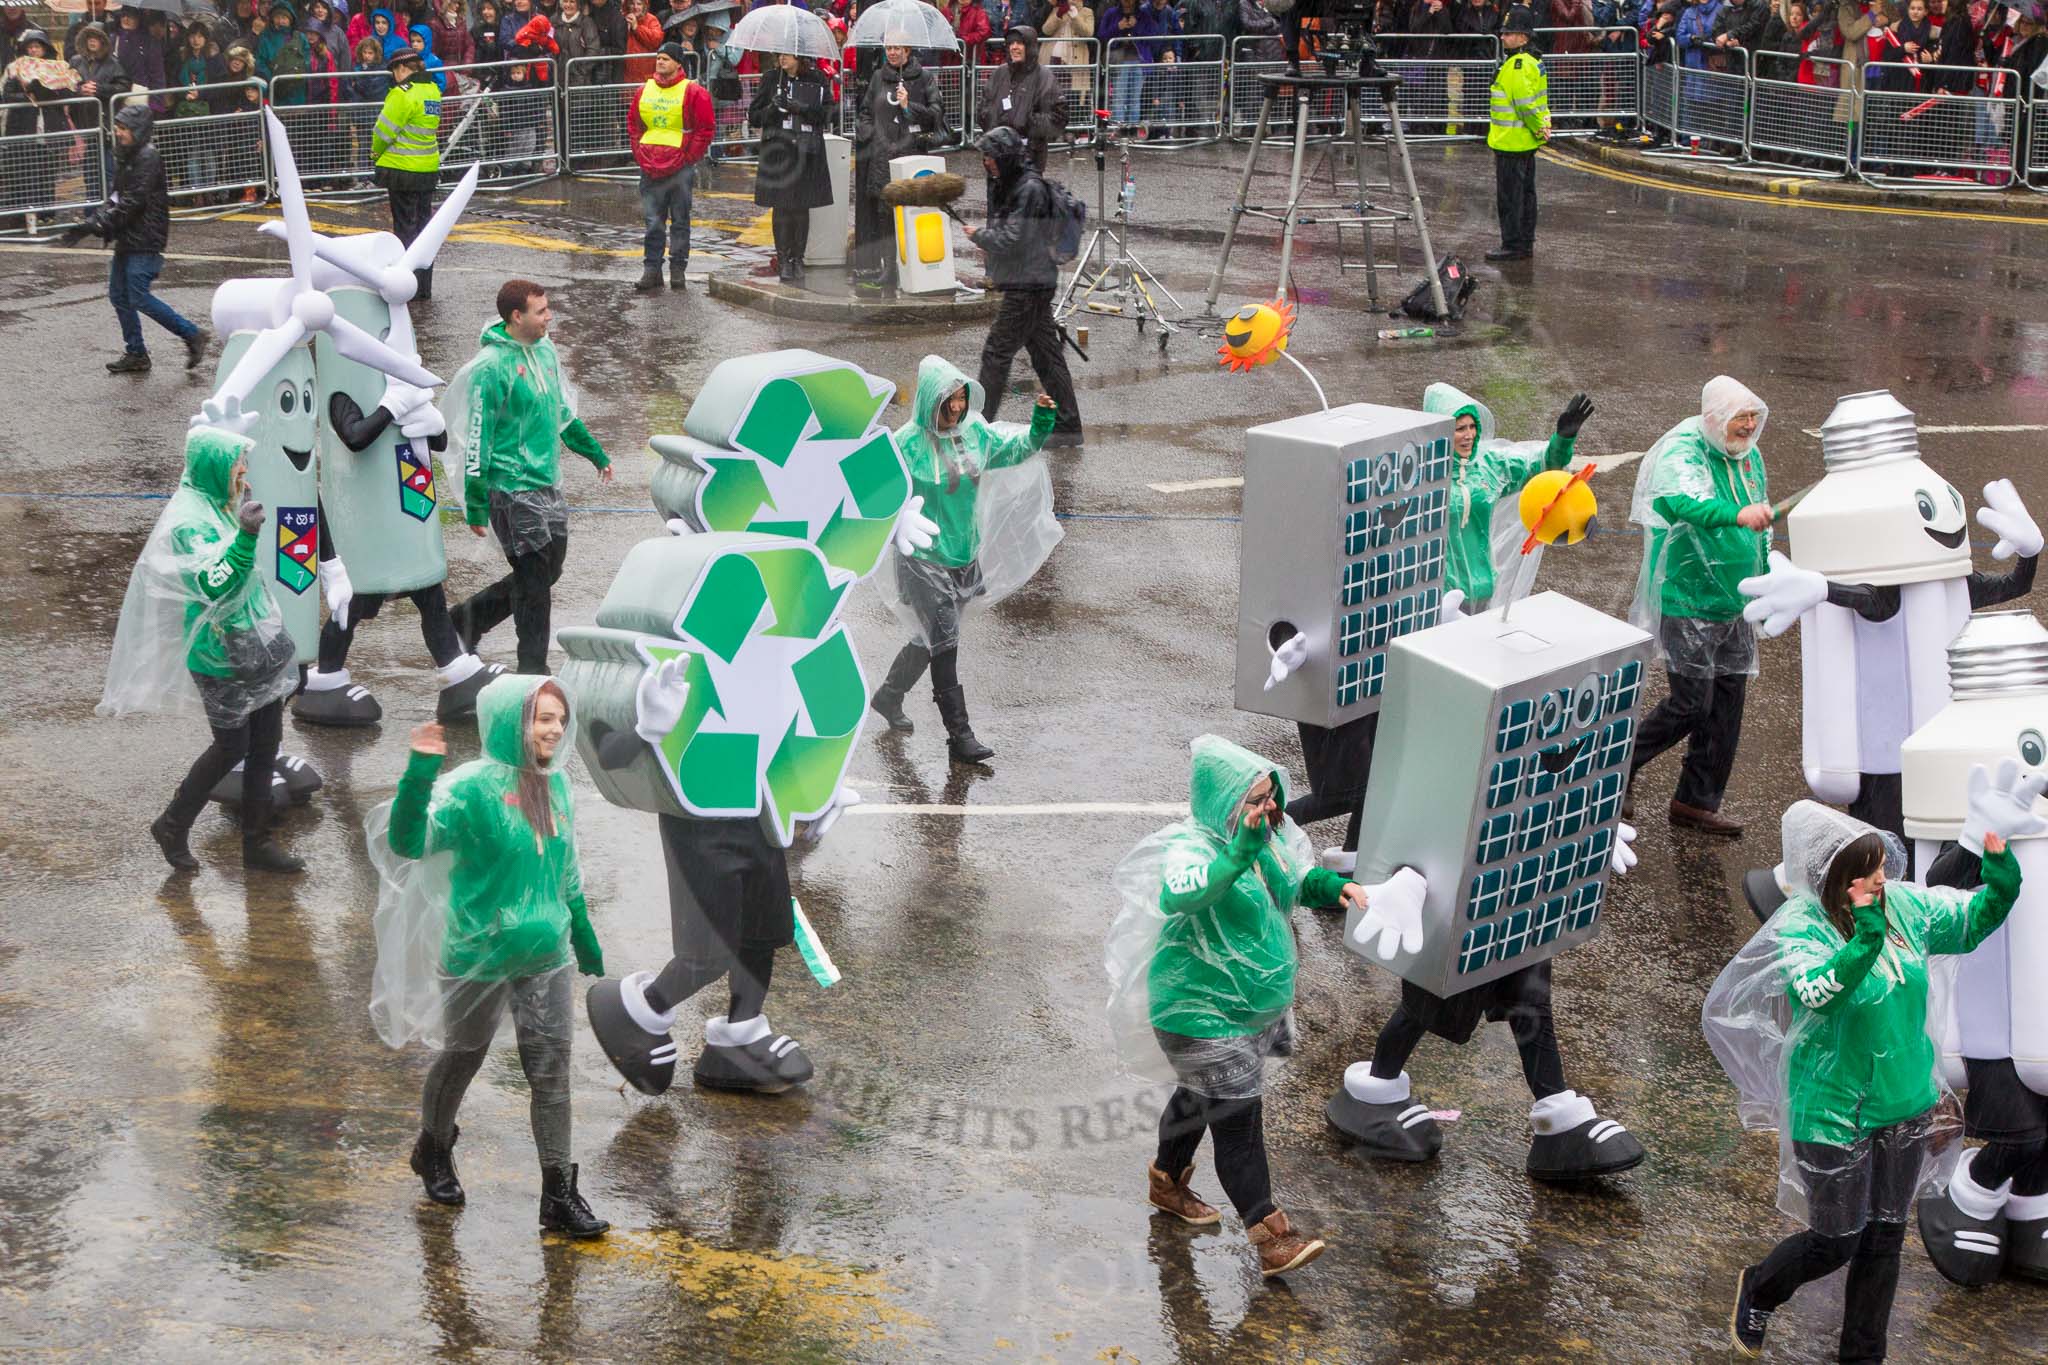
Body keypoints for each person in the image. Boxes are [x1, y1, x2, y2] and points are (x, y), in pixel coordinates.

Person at [1707, 802, 2023, 1359]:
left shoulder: (1902, 905)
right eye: (1870, 870)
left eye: (1882, 865)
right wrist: (1865, 939)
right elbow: (1817, 991)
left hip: (1905, 1103)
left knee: (1884, 1239)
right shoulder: (1803, 926)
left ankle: (1862, 1354)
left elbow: (1970, 922)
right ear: (1836, 878)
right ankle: (1760, 1287)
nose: (1884, 878)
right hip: (1832, 1112)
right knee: (1836, 1240)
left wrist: (2000, 889)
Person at [1107, 736, 1390, 1275]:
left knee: (1198, 1096)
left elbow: (1296, 881)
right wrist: (1239, 852)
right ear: (1224, 802)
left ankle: (1166, 1182)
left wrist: (1338, 889)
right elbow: (1181, 893)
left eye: (1271, 798)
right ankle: (1270, 1236)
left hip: (1243, 1010)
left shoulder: (1267, 842)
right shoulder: (1192, 848)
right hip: (1196, 1011)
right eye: (1255, 800)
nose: (1269, 810)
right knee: (1237, 1121)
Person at [378, 679, 609, 1238]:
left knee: (551, 1073)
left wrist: (581, 930)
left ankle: (559, 1193)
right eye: (540, 718)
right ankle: (432, 1148)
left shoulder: (558, 786)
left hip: (545, 953)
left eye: (559, 718)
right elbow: (409, 842)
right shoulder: (471, 789)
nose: (553, 729)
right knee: (463, 1055)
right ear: (511, 723)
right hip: (477, 953)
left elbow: (567, 868)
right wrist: (418, 774)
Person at [100, 428, 304, 874]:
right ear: (214, 465)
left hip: (255, 641)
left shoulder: (214, 500)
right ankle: (172, 824)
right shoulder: (188, 520)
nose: (244, 470)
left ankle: (258, 843)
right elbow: (213, 583)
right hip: (221, 654)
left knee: (267, 741)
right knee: (233, 746)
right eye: (236, 463)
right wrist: (246, 535)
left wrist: (234, 509)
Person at [868, 357, 1059, 764]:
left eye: (960, 398)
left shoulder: (974, 432)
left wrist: (1040, 423)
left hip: (963, 557)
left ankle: (888, 696)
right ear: (928, 402)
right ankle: (960, 736)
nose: (956, 407)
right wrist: (895, 517)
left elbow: (1013, 449)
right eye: (947, 400)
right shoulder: (904, 444)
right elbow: (871, 492)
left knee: (928, 639)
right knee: (946, 645)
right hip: (923, 559)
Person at [1626, 375, 1771, 836]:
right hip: (1688, 596)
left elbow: (1760, 515)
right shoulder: (1683, 449)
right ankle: (1619, 765)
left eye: (1752, 416)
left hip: (1736, 598)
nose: (1748, 426)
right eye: (1738, 418)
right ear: (1713, 418)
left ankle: (1696, 801)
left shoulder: (1749, 456)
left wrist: (1766, 579)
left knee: (1728, 702)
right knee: (1692, 703)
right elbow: (1683, 501)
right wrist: (1736, 515)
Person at [447, 281, 613, 677]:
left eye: (548, 308)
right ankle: (532, 671)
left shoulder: (546, 350)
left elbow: (560, 412)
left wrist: (595, 453)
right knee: (535, 583)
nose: (549, 316)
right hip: (510, 487)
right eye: (541, 311)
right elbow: (477, 437)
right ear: (516, 317)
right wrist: (476, 501)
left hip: (546, 482)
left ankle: (466, 619)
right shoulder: (490, 368)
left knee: (547, 569)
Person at [60, 105, 208, 375]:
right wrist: (92, 221)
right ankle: (136, 352)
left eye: (124, 128)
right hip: (128, 236)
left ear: (137, 130)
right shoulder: (127, 156)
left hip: (146, 237)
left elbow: (133, 201)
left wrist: (99, 223)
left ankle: (192, 334)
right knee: (119, 294)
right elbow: (116, 197)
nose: (118, 133)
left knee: (138, 296)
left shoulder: (148, 157)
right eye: (117, 128)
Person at [963, 126, 1084, 446]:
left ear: (1004, 156)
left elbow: (1013, 238)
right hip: (1033, 282)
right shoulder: (1017, 183)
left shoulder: (1028, 188)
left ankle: (979, 426)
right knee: (1046, 356)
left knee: (996, 353)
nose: (986, 162)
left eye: (990, 156)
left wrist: (980, 236)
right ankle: (1069, 424)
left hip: (1028, 285)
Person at [1428, 384, 1593, 610]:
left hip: (1481, 586)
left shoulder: (1487, 465)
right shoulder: (1423, 475)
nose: (1468, 435)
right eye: (1459, 429)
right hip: (1436, 595)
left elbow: (1542, 465)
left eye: (1472, 427)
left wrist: (1563, 439)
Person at [851, 40, 940, 293]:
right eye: (889, 47)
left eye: (898, 48)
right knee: (885, 214)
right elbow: (865, 113)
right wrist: (873, 135)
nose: (892, 52)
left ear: (908, 50)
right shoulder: (879, 77)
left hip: (912, 156)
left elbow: (936, 114)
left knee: (913, 213)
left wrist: (908, 106)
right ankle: (889, 268)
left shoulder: (924, 78)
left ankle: (913, 267)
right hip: (882, 157)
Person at [629, 40, 714, 291]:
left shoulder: (694, 92)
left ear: (678, 63)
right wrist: (640, 152)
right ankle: (652, 269)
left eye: (666, 58)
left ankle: (677, 270)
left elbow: (705, 129)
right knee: (653, 221)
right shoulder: (644, 90)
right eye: (658, 57)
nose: (660, 61)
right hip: (650, 164)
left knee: (679, 221)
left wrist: (689, 158)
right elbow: (634, 125)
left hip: (679, 168)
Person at [748, 51, 833, 284]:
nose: (782, 60)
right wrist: (771, 111)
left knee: (801, 206)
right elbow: (754, 116)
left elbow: (828, 113)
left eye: (788, 55)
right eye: (780, 55)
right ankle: (784, 258)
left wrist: (801, 108)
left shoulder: (817, 79)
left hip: (806, 150)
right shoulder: (771, 78)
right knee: (782, 206)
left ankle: (798, 258)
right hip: (779, 151)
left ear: (800, 57)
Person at [371, 45, 443, 299]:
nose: (393, 77)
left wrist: (374, 153)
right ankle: (423, 287)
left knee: (405, 230)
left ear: (402, 68)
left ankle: (406, 287)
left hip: (402, 170)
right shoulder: (433, 90)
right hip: (427, 167)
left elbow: (383, 132)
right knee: (425, 230)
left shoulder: (402, 94)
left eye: (394, 71)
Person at [1486, 8, 1548, 262]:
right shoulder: (1533, 61)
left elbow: (1524, 103)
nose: (1503, 38)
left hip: (1511, 142)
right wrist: (1542, 127)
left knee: (1511, 197)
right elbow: (1540, 103)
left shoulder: (1517, 65)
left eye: (1508, 33)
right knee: (1526, 195)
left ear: (1523, 37)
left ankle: (1513, 243)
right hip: (1524, 141)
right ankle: (1524, 241)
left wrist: (1537, 126)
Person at [977, 26, 1066, 170]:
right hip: (997, 155)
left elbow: (1058, 117)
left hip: (1029, 155)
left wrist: (1027, 122)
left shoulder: (1044, 77)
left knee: (1026, 191)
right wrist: (995, 126)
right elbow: (983, 106)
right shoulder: (1000, 74)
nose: (1014, 47)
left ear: (1029, 46)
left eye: (1019, 43)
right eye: (1011, 43)